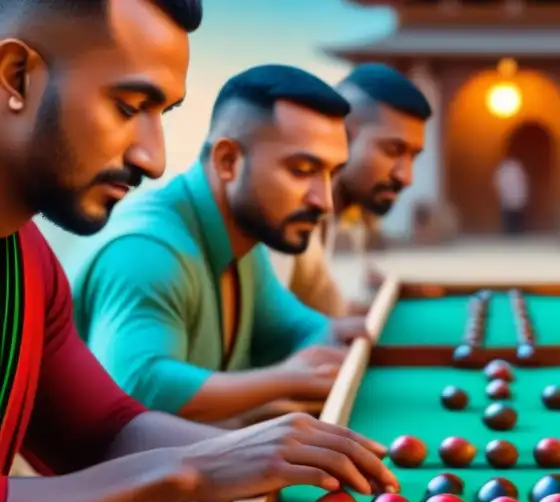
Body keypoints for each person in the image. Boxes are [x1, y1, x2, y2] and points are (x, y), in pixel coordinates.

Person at [0, 0, 396, 502]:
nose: (153, 159)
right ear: (15, 77)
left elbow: (102, 430)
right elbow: (146, 404)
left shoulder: (29, 257)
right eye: (128, 107)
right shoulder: (145, 248)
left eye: (163, 114)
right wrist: (188, 468)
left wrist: (267, 450)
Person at [69, 64, 369, 427]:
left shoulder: (244, 239)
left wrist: (336, 334)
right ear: (228, 161)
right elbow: (138, 385)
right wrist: (285, 380)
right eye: (303, 170)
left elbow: (290, 327)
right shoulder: (146, 251)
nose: (324, 201)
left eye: (331, 175)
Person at [276, 63, 432, 317]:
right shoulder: (285, 212)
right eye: (393, 151)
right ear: (340, 137)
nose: (405, 176)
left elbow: (323, 313)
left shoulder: (332, 216)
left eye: (413, 157)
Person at [494, 156, 528, 235]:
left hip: (512, 200)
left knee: (513, 219)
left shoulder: (504, 170)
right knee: (513, 219)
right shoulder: (507, 169)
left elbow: (497, 183)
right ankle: (512, 234)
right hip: (513, 200)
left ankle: (511, 234)